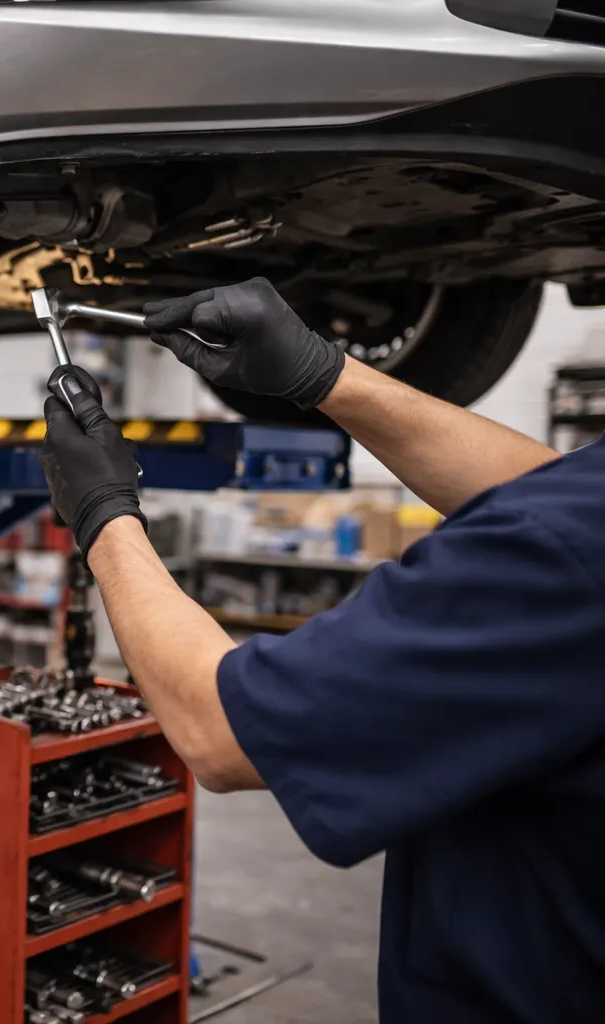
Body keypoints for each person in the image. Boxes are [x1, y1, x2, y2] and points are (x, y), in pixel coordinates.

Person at [38, 278, 605, 1024]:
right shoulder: (574, 526)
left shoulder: (563, 557)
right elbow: (549, 490)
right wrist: (322, 373)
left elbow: (218, 728)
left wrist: (104, 518)